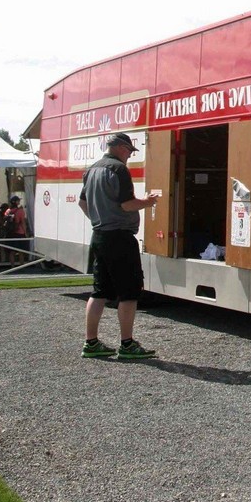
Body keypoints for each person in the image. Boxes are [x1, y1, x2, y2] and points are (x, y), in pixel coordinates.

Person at [78, 132, 161, 359]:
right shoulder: (118, 170)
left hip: (99, 235)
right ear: (121, 148)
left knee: (99, 291)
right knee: (129, 292)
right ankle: (126, 344)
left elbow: (82, 203)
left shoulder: (92, 169)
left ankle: (91, 342)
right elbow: (127, 205)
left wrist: (99, 218)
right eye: (129, 152)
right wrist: (148, 201)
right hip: (120, 237)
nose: (129, 156)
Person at [1, 195, 29, 266]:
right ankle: (21, 266)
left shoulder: (8, 211)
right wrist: (25, 233)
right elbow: (23, 222)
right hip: (20, 233)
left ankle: (12, 266)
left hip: (10, 233)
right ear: (16, 202)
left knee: (11, 251)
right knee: (21, 251)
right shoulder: (20, 211)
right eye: (18, 200)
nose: (19, 201)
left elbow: (4, 220)